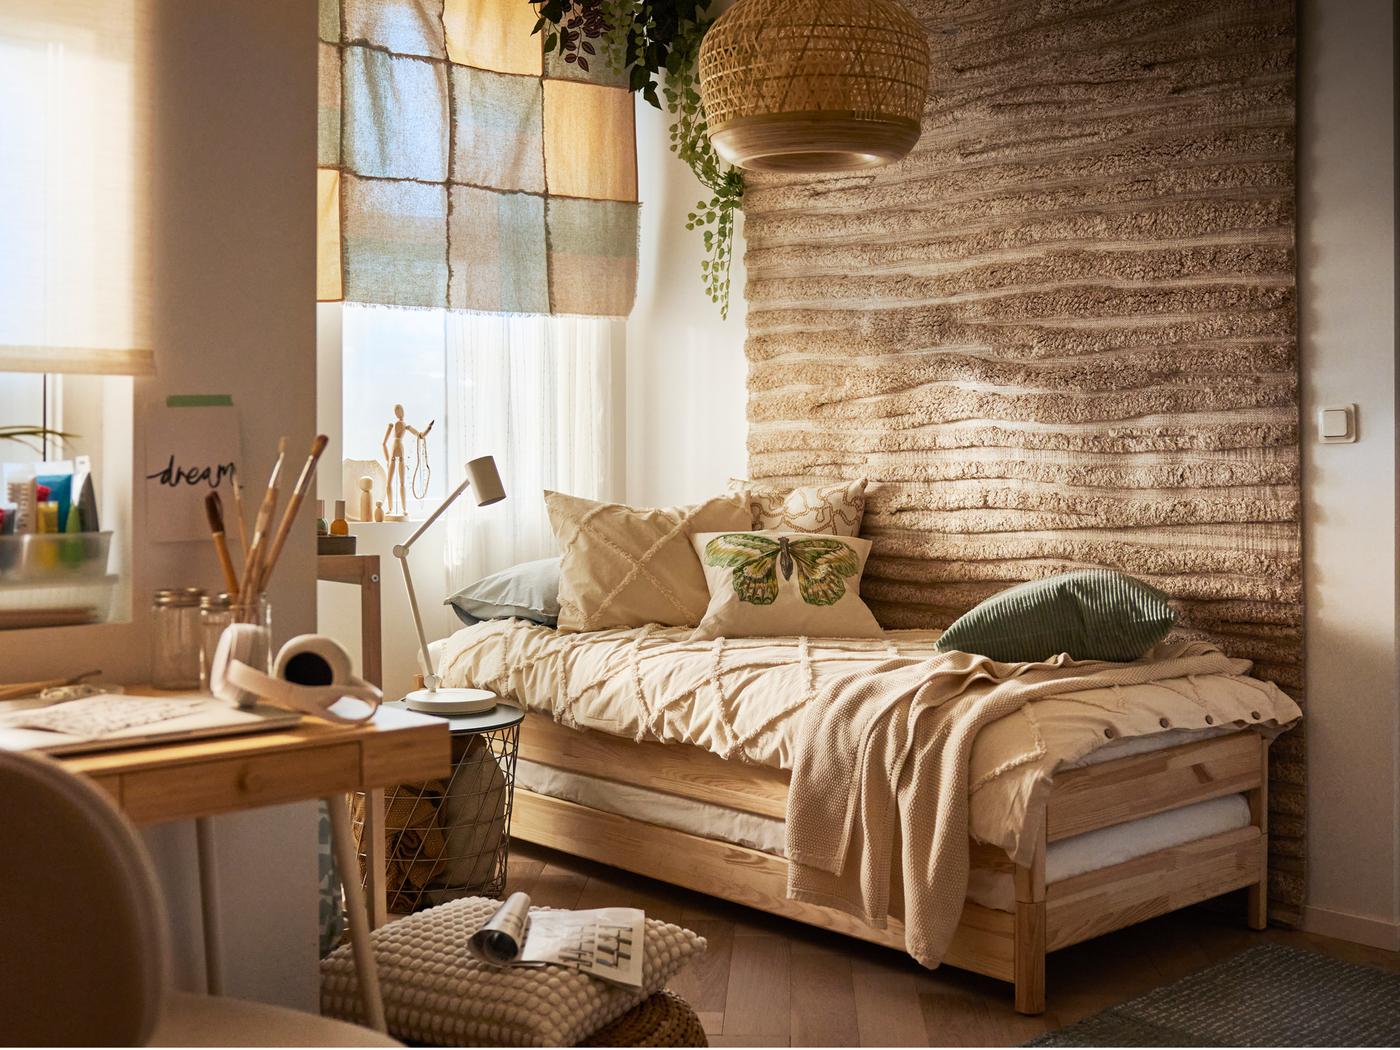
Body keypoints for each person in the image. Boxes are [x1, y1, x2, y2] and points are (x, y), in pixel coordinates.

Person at [382, 405, 434, 518]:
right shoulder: (391, 425)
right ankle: (390, 509)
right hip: (392, 454)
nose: (400, 413)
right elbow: (383, 443)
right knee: (388, 483)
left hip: (400, 454)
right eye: (397, 411)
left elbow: (420, 435)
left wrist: (428, 429)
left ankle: (404, 509)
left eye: (400, 410)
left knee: (401, 483)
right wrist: (386, 459)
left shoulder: (406, 426)